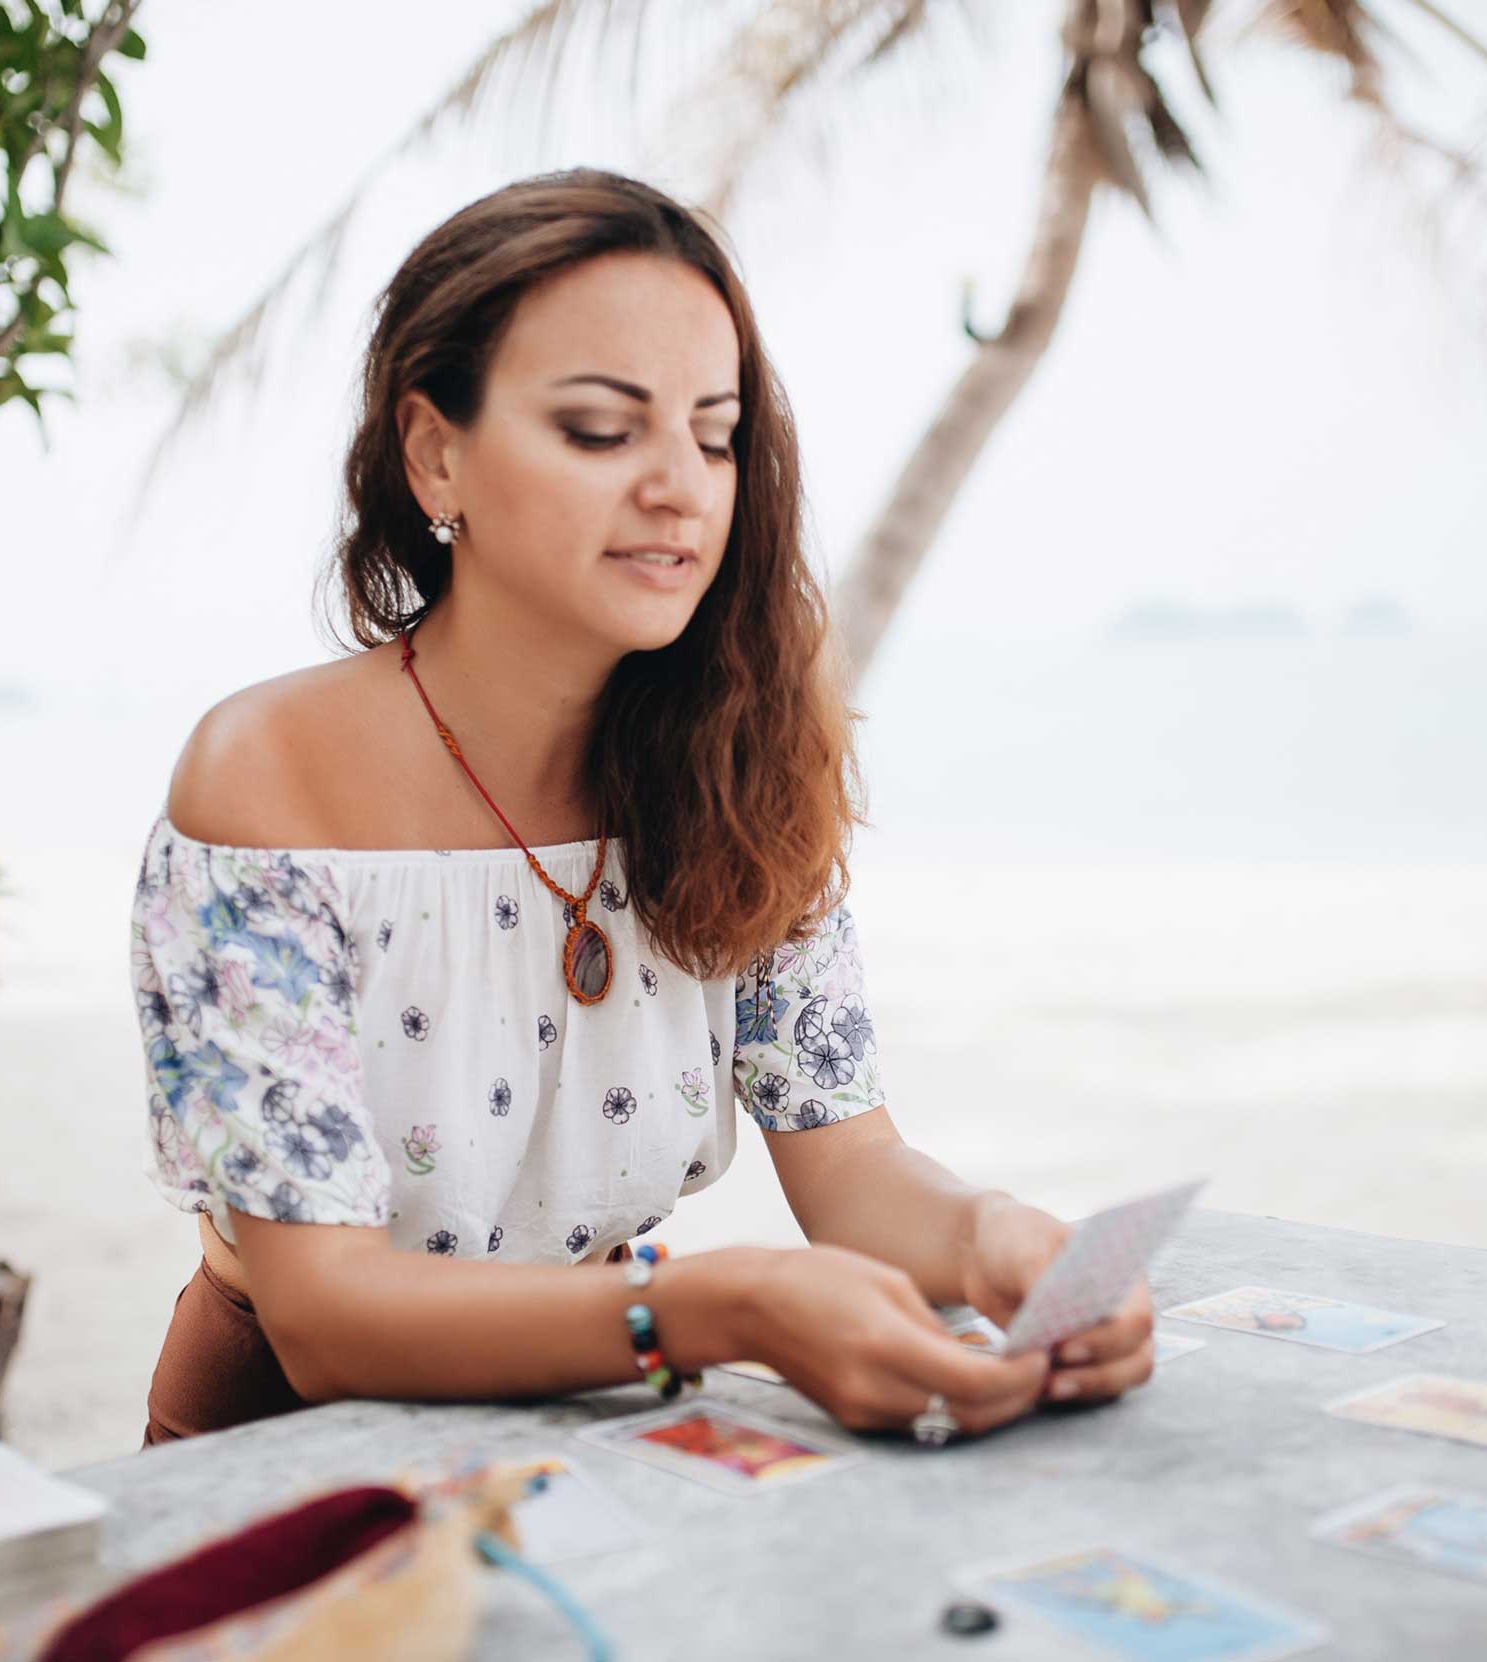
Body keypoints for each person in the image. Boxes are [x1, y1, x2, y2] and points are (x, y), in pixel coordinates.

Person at [133, 167, 1154, 1449]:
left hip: (604, 1418)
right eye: (603, 432)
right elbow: (324, 1321)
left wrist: (992, 1236)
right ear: (435, 451)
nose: (680, 485)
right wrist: (723, 1305)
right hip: (286, 1458)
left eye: (714, 434)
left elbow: (847, 1167)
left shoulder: (739, 759)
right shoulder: (267, 777)